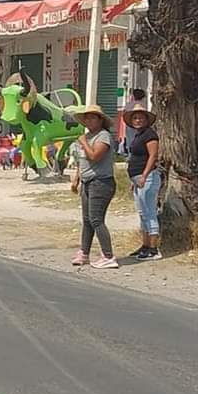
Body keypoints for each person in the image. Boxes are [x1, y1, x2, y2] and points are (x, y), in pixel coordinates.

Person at [71, 104, 118, 269]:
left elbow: (95, 156)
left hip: (101, 182)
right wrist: (76, 178)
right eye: (87, 118)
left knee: (96, 219)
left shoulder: (103, 136)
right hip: (87, 181)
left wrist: (83, 142)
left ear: (100, 120)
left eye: (93, 117)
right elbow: (81, 161)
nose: (89, 121)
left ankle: (108, 255)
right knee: (87, 220)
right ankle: (84, 252)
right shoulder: (88, 136)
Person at [123, 101, 161, 260]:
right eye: (135, 118)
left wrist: (145, 175)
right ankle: (145, 246)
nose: (138, 120)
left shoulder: (150, 135)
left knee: (150, 212)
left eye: (141, 118)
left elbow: (153, 156)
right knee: (142, 213)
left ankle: (153, 249)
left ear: (146, 120)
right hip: (138, 178)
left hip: (148, 177)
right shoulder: (138, 135)